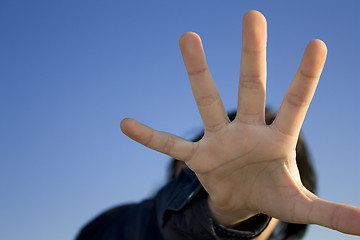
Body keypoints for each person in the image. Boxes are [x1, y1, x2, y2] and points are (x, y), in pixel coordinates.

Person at [76, 10, 360, 239]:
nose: (243, 192)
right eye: (192, 177)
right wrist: (214, 216)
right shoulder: (123, 225)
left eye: (271, 176)